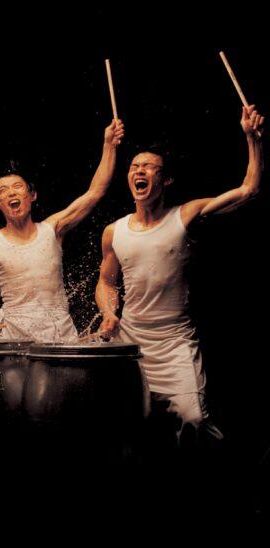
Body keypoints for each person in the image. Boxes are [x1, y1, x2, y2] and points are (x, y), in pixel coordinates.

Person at [95, 105, 264, 446]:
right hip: (129, 343)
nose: (139, 171)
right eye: (134, 166)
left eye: (148, 167)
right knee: (120, 426)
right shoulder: (114, 232)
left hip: (174, 344)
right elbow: (106, 282)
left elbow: (248, 189)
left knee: (194, 420)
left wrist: (251, 138)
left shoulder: (184, 216)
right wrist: (109, 312)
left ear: (165, 179)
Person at [0, 119, 124, 341]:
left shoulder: (53, 229)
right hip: (14, 337)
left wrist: (108, 145)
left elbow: (95, 192)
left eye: (17, 187)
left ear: (32, 195)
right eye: (4, 191)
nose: (11, 193)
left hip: (60, 333)